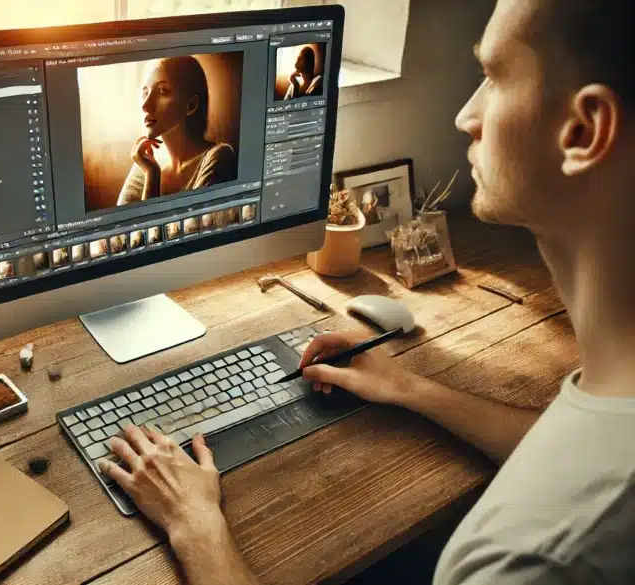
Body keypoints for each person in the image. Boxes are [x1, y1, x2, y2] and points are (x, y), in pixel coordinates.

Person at [99, 1, 635, 583]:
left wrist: (194, 525)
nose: (465, 113)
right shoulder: (613, 406)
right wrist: (410, 387)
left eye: (495, 77)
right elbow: (564, 450)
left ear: (584, 130)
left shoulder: (532, 562)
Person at [117, 56, 237, 206]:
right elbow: (127, 227)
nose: (146, 105)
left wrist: (153, 178)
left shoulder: (220, 157)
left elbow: (192, 226)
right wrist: (150, 172)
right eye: (145, 92)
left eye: (162, 91)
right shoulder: (147, 161)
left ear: (191, 105)